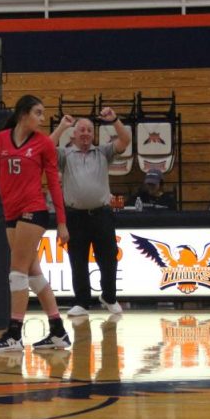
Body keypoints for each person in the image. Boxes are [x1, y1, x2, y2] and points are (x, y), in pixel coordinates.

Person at [0, 94, 71, 352]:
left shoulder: (44, 144)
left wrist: (62, 222)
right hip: (10, 211)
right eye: (38, 113)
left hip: (34, 211)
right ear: (23, 114)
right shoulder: (0, 139)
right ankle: (58, 331)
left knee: (17, 272)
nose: (42, 118)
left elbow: (54, 184)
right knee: (34, 276)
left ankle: (14, 334)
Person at [51, 107, 131, 317]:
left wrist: (114, 120)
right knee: (77, 260)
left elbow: (125, 140)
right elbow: (45, 149)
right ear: (74, 134)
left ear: (93, 135)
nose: (85, 133)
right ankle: (82, 302)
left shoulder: (103, 152)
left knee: (108, 259)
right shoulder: (64, 155)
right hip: (75, 216)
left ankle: (109, 297)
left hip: (102, 214)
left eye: (89, 130)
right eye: (81, 130)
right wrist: (61, 127)